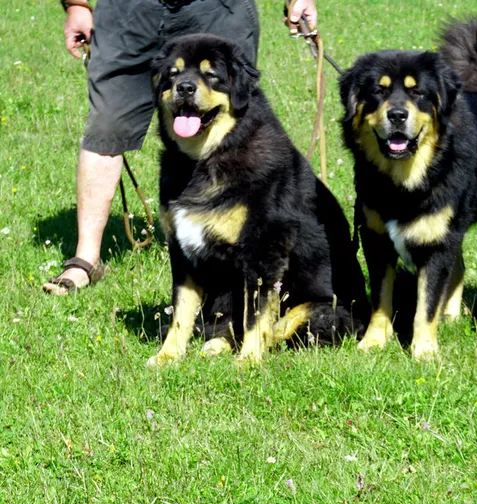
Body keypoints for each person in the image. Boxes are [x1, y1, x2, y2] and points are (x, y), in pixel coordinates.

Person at [44, 0, 318, 295]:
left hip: (218, 7)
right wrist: (76, 4)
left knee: (238, 123)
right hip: (127, 9)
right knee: (106, 126)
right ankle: (86, 260)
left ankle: (241, 276)